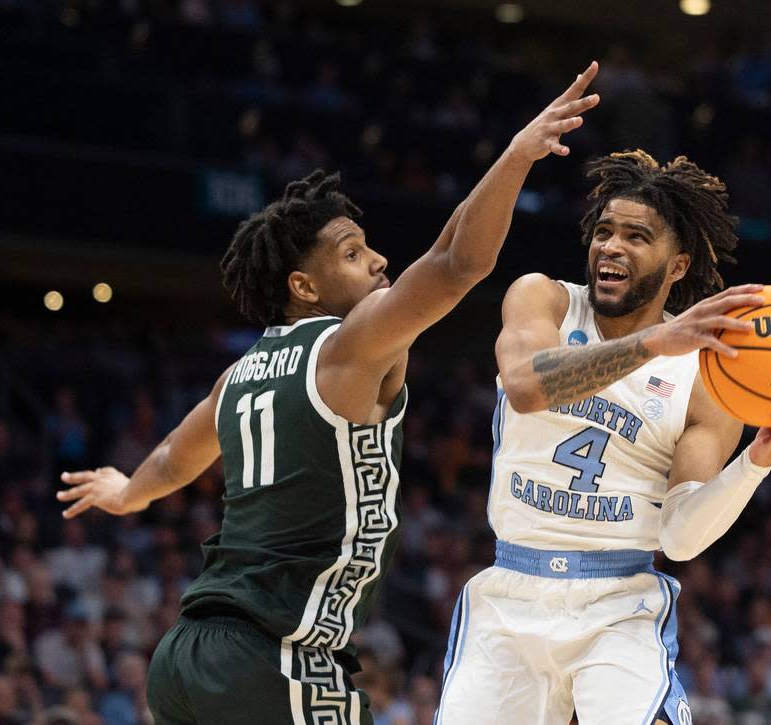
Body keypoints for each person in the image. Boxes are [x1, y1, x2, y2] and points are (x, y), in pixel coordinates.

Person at [55, 63, 603, 725]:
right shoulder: (350, 344)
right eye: (351, 253)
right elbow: (459, 262)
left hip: (185, 660)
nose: (376, 261)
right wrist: (517, 157)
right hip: (274, 656)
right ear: (304, 287)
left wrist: (126, 493)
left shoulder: (238, 375)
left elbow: (174, 455)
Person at [435, 149, 771, 724]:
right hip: (510, 592)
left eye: (636, 236)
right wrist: (655, 343)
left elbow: (679, 538)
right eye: (604, 231)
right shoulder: (543, 298)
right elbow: (526, 386)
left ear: (678, 265)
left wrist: (758, 459)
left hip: (618, 603)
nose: (611, 246)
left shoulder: (705, 373)